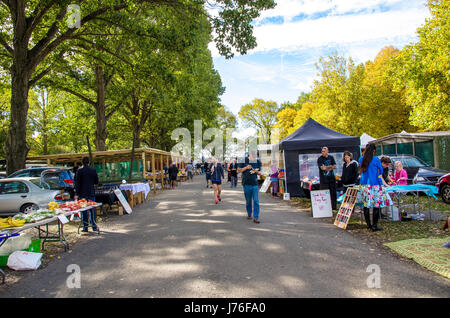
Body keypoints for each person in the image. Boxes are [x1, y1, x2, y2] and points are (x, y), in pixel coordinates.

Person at [358, 143, 393, 232]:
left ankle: (368, 225)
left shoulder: (361, 159)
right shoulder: (376, 159)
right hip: (375, 184)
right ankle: (374, 225)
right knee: (376, 205)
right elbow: (381, 171)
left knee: (366, 205)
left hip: (364, 184)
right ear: (374, 150)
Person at [75, 156, 99, 233]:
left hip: (82, 193)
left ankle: (85, 227)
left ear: (82, 162)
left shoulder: (79, 171)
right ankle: (94, 226)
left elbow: (77, 183)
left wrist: (77, 193)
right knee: (92, 209)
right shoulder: (93, 170)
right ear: (89, 162)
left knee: (84, 210)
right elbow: (96, 181)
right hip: (91, 192)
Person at [238, 150, 262, 223]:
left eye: (256, 156)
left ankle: (256, 217)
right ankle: (249, 213)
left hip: (255, 184)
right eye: (253, 156)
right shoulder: (243, 160)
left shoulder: (257, 162)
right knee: (248, 201)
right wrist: (246, 168)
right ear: (249, 155)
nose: (254, 158)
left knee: (256, 201)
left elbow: (260, 173)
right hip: (246, 184)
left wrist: (257, 172)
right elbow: (238, 171)